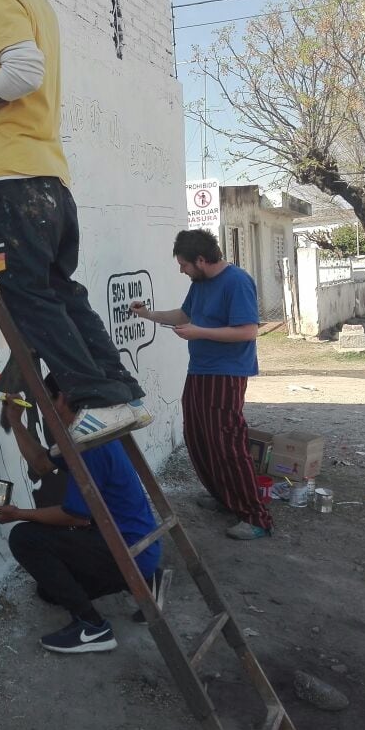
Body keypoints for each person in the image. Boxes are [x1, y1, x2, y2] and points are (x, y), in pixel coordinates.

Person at [0, 0, 150, 447]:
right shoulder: (37, 4)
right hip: (50, 181)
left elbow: (22, 73)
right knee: (60, 291)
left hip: (14, 182)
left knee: (27, 295)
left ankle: (96, 397)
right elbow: (12, 67)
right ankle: (120, 392)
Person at [0, 374, 170, 653]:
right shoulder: (92, 432)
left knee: (25, 538)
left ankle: (93, 627)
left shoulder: (89, 446)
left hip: (127, 549)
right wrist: (14, 420)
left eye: (46, 401)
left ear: (61, 400)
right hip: (141, 544)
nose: (44, 410)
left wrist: (18, 514)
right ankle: (148, 580)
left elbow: (76, 516)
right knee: (48, 592)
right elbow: (41, 464)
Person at [131, 228, 273, 540]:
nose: (181, 270)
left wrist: (199, 332)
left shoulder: (236, 281)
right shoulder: (201, 283)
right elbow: (185, 314)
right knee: (198, 437)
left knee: (227, 442)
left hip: (226, 373)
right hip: (200, 370)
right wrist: (149, 315)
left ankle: (256, 517)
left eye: (183, 264)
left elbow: (248, 331)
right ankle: (226, 497)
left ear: (200, 259)